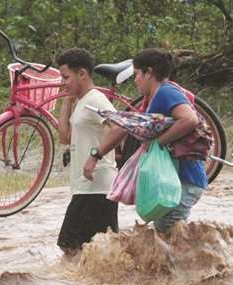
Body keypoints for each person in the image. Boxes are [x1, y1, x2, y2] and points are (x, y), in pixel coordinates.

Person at [56, 48, 127, 255]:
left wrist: (94, 156)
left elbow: (120, 127)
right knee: (92, 253)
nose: (62, 83)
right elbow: (64, 137)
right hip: (86, 188)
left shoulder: (95, 100)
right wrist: (67, 100)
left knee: (72, 249)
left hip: (96, 188)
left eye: (65, 77)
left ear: (82, 74)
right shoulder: (82, 102)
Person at [132, 48, 207, 232]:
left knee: (169, 239)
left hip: (184, 181)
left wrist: (159, 142)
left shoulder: (165, 93)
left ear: (149, 73)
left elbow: (189, 119)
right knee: (169, 239)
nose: (135, 80)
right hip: (177, 181)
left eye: (136, 74)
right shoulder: (156, 96)